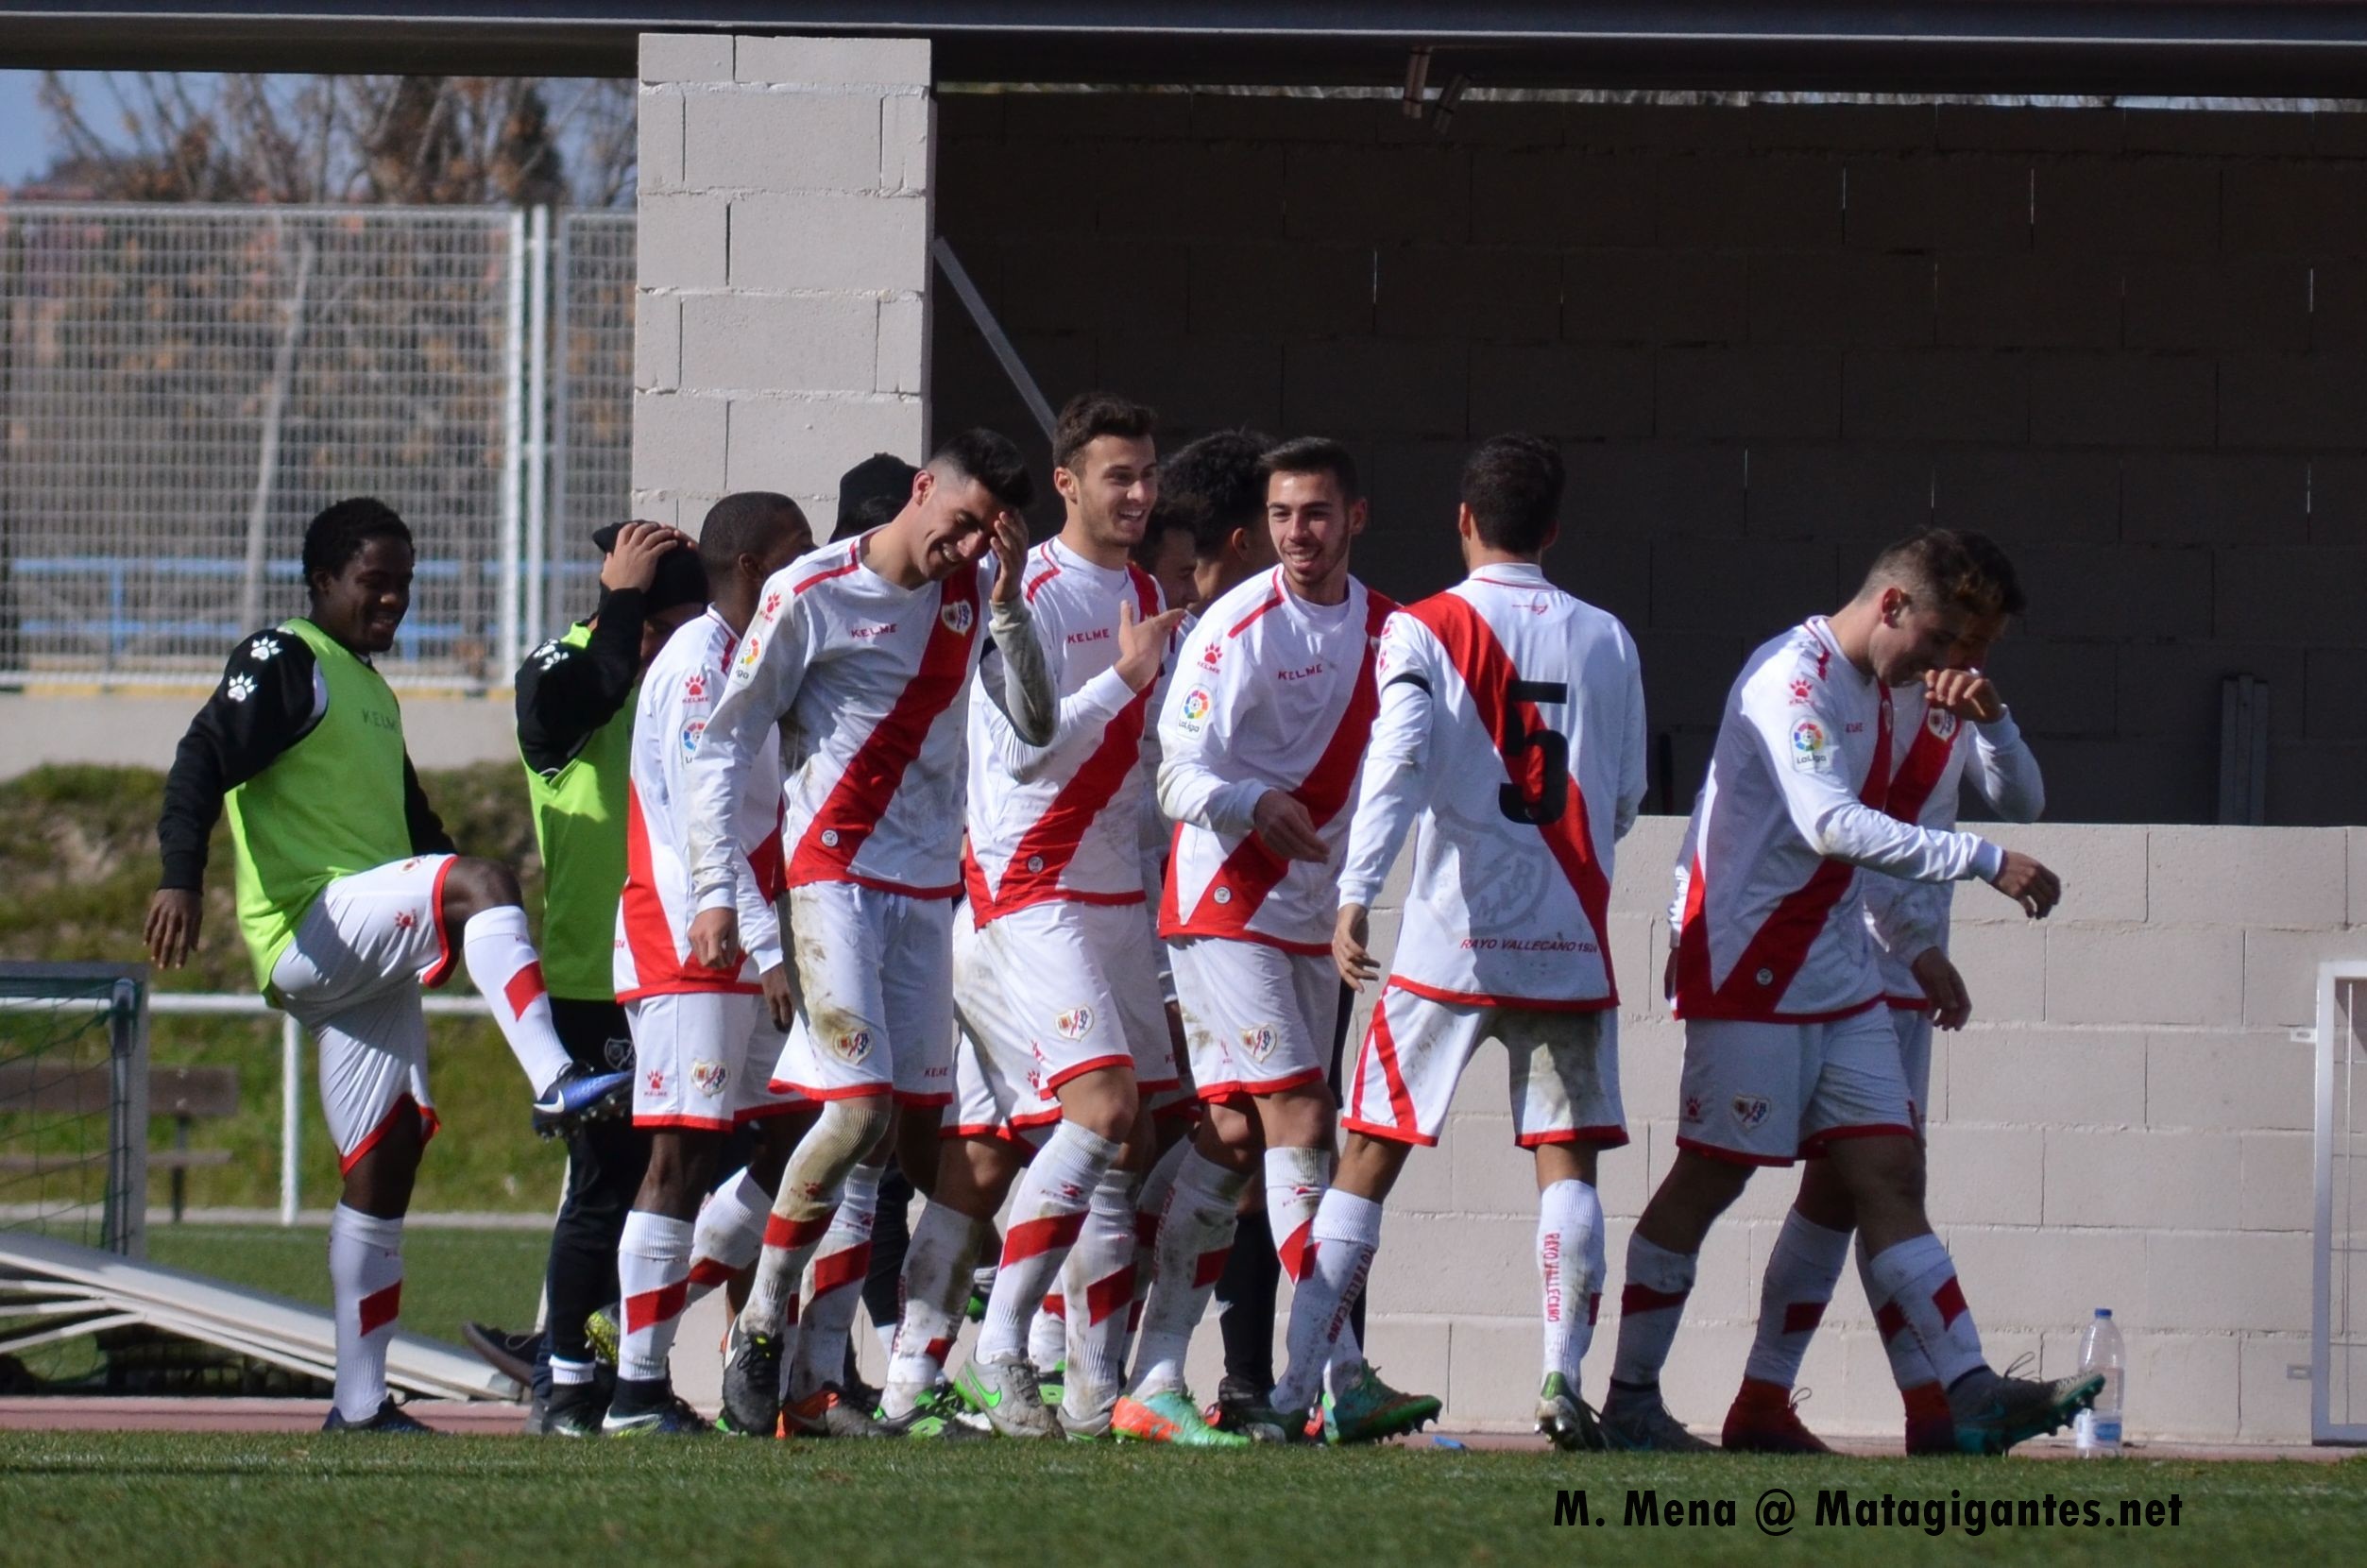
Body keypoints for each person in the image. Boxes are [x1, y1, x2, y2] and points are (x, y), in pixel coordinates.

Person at [1601, 530, 2100, 1455]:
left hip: (1837, 970)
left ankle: (1965, 1388)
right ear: (1893, 606)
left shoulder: (1883, 687)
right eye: (1942, 639)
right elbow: (1830, 822)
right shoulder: (1790, 678)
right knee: (1711, 1177)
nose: (1948, 664)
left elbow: (1882, 835)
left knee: (1885, 1171)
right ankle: (1630, 1397)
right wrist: (1982, 859)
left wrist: (1909, 944)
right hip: (1749, 962)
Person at [145, 497, 630, 1434]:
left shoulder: (367, 687)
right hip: (308, 924)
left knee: (388, 1153)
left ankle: (359, 1405)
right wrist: (180, 877)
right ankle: (556, 1078)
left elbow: (416, 829)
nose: (393, 600)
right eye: (374, 582)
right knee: (477, 882)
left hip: (362, 945)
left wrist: (472, 889)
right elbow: (202, 755)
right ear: (322, 579)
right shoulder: (283, 657)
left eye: (405, 584)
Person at [684, 430, 1055, 1440]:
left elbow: (1034, 722)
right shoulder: (813, 591)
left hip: (923, 897)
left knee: (912, 1140)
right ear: (921, 489)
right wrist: (716, 893)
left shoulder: (974, 591)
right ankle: (761, 1319)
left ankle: (903, 1375)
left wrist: (1012, 597)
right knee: (853, 1113)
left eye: (987, 532)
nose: (968, 543)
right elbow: (725, 743)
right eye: (961, 520)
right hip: (832, 885)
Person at [1311, 434, 1644, 1451]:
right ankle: (1559, 1378)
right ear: (1551, 528)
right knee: (1566, 1159)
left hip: (1446, 945)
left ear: (1463, 519)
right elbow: (1625, 797)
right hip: (1566, 934)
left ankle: (1301, 1381)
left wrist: (1356, 890)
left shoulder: (1423, 626)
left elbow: (1399, 763)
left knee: (1369, 1147)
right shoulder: (1607, 637)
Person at [882, 394, 1183, 1440]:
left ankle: (1082, 1393)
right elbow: (1020, 751)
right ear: (1066, 483)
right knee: (1096, 1114)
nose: (1140, 494)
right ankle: (1002, 1345)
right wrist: (1128, 674)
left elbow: (1141, 772)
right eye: (1119, 476)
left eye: (1147, 474)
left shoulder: (1145, 587)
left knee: (1123, 1140)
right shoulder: (1028, 590)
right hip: (1028, 892)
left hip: (1111, 903)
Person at [1116, 437, 1417, 1446]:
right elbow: (1175, 773)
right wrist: (1249, 802)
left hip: (1310, 920)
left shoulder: (1393, 632)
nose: (1300, 532)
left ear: (1354, 519)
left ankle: (1146, 1370)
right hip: (1222, 904)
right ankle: (1332, 1370)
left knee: (1236, 1140)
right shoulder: (1232, 623)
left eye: (1318, 513)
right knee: (1299, 1110)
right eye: (1284, 514)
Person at [1722, 533, 2045, 1456]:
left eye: (1982, 651)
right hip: (1842, 962)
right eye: (1961, 642)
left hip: (1907, 974)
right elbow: (1836, 831)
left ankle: (1800, 1402)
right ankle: (1930, 1403)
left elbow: (2021, 800)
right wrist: (1904, 940)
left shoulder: (1955, 701)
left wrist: (1993, 717)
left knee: (1856, 1185)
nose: (1964, 663)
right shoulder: (1850, 687)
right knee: (1864, 1177)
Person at [602, 494, 823, 1437]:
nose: (806, 574)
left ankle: (630, 1331)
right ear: (747, 568)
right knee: (679, 1156)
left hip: (745, 945)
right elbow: (707, 817)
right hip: (691, 942)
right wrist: (767, 946)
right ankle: (636, 1391)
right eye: (793, 558)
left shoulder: (753, 660)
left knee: (800, 1134)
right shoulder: (697, 660)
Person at [507, 516, 708, 1435]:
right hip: (595, 967)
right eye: (678, 617)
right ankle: (562, 1379)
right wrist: (618, 604)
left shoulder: (684, 672)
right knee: (605, 1179)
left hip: (678, 964)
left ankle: (619, 1368)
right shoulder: (569, 667)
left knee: (673, 1174)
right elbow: (571, 704)